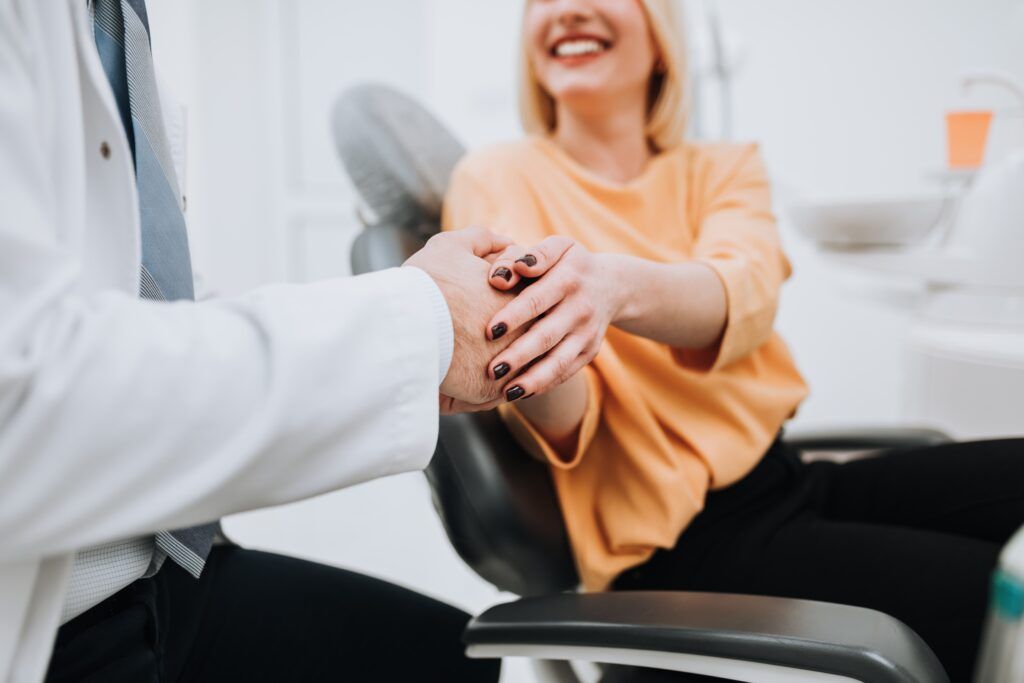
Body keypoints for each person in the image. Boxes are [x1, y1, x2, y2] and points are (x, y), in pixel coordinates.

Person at [441, 0, 1024, 680]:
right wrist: (543, 349)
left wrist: (611, 288)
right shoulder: (499, 175)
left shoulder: (721, 166)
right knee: (1001, 592)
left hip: (784, 483)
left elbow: (744, 288)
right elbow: (563, 415)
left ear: (661, 37)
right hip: (673, 551)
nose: (569, 10)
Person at [0, 1, 519, 681]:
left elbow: (153, 298)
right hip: (51, 618)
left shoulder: (119, 26)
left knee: (447, 657)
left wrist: (413, 351)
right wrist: (420, 325)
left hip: (164, 569)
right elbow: (26, 398)